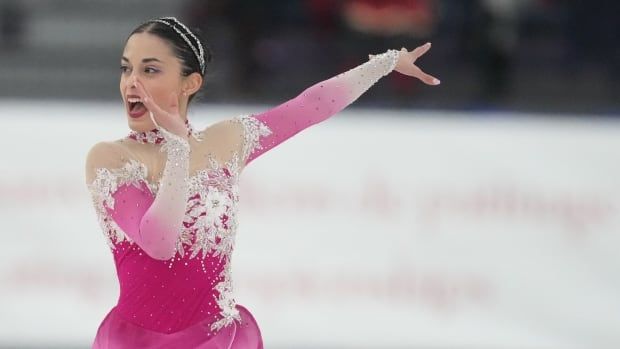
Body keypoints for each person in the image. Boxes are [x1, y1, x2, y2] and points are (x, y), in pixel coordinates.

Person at [85, 16, 439, 349]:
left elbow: (309, 107)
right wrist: (178, 150)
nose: (131, 81)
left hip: (218, 338)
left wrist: (386, 62)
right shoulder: (110, 159)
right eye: (126, 68)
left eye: (149, 69)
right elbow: (159, 242)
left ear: (189, 83)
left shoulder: (225, 141)